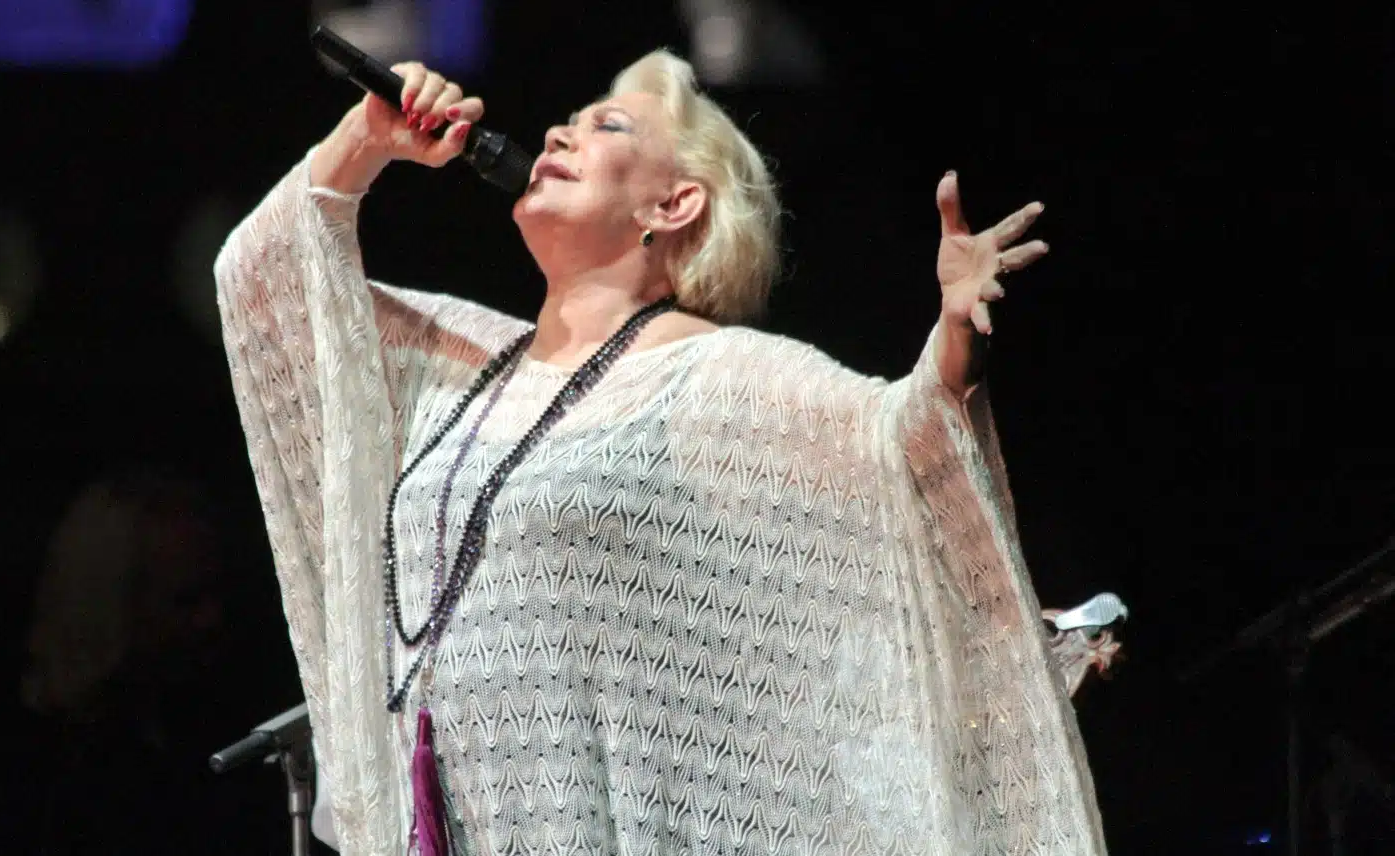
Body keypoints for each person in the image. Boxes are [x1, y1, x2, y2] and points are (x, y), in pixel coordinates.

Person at [214, 50, 1109, 855]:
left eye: (607, 126)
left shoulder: (716, 375)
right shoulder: (454, 361)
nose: (558, 132)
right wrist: (365, 141)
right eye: (570, 120)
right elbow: (263, 290)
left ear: (673, 204)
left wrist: (955, 339)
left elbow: (899, 448)